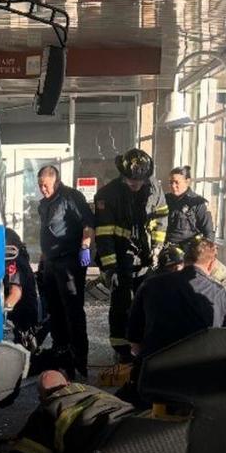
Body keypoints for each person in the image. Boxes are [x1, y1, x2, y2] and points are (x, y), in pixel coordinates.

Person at [93, 148, 169, 362]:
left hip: (145, 257)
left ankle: (145, 345)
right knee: (121, 304)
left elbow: (162, 217)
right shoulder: (107, 195)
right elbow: (104, 234)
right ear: (122, 175)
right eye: (131, 180)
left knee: (147, 302)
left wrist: (157, 246)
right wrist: (110, 268)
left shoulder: (155, 189)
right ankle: (121, 350)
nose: (136, 184)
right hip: (119, 258)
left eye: (140, 180)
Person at [127, 238, 226, 362]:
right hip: (199, 372)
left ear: (184, 260)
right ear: (212, 264)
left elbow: (135, 344)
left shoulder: (149, 285)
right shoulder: (221, 294)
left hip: (154, 373)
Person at [7, 370, 133, 453]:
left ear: (42, 398)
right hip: (136, 425)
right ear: (68, 383)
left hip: (110, 450)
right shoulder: (93, 390)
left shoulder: (47, 410)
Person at [36, 165, 94, 378]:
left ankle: (80, 359)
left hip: (70, 261)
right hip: (51, 262)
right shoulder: (44, 204)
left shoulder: (71, 197)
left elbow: (88, 224)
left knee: (73, 310)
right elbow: (46, 233)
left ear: (56, 182)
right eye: (40, 185)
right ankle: (61, 354)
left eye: (47, 185)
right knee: (54, 310)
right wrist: (43, 261)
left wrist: (86, 247)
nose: (43, 189)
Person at [4, 227, 43, 350]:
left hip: (21, 319)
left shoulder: (14, 263)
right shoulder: (19, 258)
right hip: (20, 315)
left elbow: (15, 294)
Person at [164, 165, 214, 244]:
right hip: (164, 249)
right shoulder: (164, 200)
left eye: (176, 182)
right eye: (171, 182)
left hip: (187, 252)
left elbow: (208, 233)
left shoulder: (198, 203)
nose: (173, 186)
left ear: (187, 182)